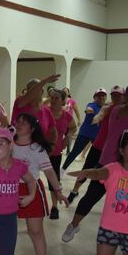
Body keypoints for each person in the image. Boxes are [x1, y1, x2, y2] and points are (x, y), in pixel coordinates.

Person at [0, 113, 68, 255]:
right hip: (9, 187)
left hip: (31, 188)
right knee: (0, 226)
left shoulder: (37, 149)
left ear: (32, 128)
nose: (19, 124)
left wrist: (58, 190)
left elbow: (49, 171)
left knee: (36, 231)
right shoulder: (8, 143)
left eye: (24, 123)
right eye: (18, 121)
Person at [62, 84, 128, 243]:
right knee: (91, 197)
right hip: (108, 165)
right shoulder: (118, 111)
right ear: (126, 96)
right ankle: (73, 225)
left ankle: (126, 233)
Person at [66, 86, 123, 204]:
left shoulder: (125, 111)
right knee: (87, 169)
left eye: (119, 95)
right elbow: (99, 114)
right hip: (99, 146)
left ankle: (114, 198)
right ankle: (74, 191)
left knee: (112, 173)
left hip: (114, 150)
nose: (115, 97)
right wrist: (97, 117)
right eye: (114, 95)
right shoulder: (106, 108)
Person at [45, 89, 76, 220]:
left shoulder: (66, 116)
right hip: (40, 150)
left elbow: (73, 127)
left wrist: (66, 138)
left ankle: (54, 207)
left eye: (57, 98)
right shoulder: (44, 112)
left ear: (63, 101)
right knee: (31, 176)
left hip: (56, 150)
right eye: (52, 97)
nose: (54, 100)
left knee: (54, 179)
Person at [62, 88, 107, 171]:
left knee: (99, 155)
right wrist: (88, 111)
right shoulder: (91, 105)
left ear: (106, 97)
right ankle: (62, 170)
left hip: (97, 136)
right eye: (99, 96)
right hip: (85, 134)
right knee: (75, 152)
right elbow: (88, 109)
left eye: (103, 95)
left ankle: (96, 174)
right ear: (95, 97)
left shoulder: (106, 108)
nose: (101, 97)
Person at [11, 75, 58, 143]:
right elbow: (28, 96)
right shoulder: (20, 103)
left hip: (38, 150)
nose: (32, 91)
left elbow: (53, 131)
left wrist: (51, 147)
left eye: (35, 88)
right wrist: (44, 81)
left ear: (42, 91)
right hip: (19, 149)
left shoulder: (46, 111)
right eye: (29, 89)